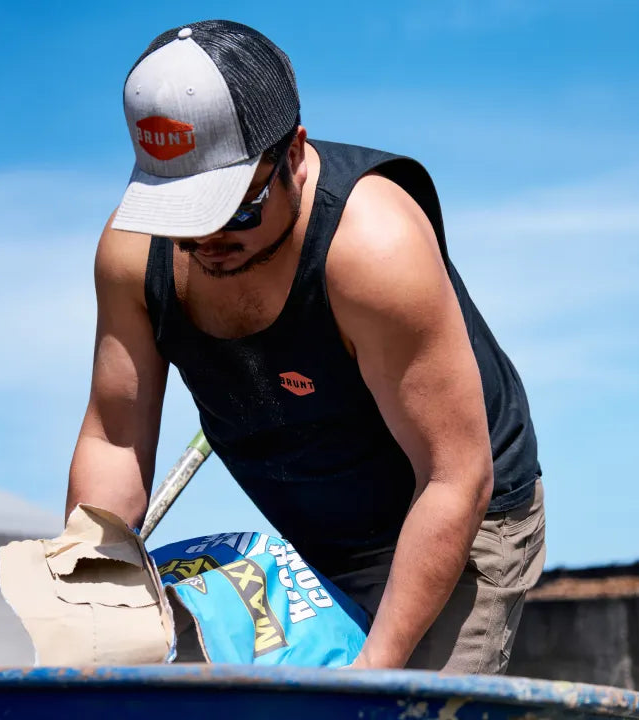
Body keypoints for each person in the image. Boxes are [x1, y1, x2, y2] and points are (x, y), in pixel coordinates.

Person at [64, 19, 546, 674]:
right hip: (312, 529)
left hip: (454, 512)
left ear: (293, 152)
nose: (206, 240)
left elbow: (454, 476)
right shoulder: (130, 255)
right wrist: (89, 595)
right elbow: (115, 442)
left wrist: (374, 675)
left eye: (234, 208)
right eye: (182, 218)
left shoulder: (374, 250)